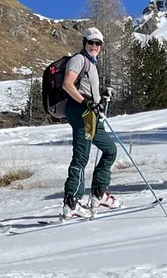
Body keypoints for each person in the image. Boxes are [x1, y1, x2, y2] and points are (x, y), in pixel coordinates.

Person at [60, 27, 120, 220]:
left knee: (110, 150)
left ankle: (98, 194)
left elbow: (86, 91)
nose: (94, 46)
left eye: (98, 43)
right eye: (91, 42)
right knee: (81, 156)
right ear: (84, 43)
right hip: (81, 113)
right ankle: (72, 202)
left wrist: (100, 98)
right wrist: (86, 102)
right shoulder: (78, 59)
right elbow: (67, 84)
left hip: (90, 113)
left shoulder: (91, 64)